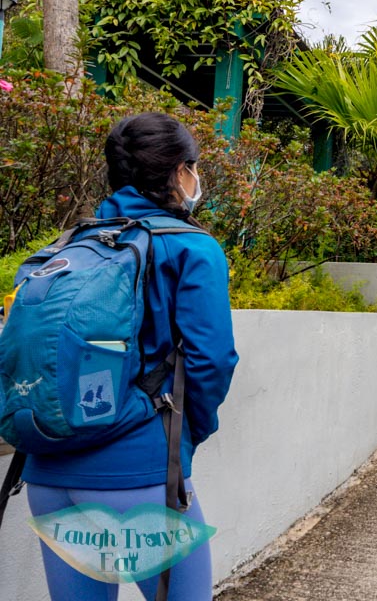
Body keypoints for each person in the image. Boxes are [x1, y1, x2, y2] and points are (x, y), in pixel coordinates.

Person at [22, 112, 238, 601]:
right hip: (139, 476)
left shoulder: (69, 244)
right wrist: (182, 437)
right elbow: (212, 359)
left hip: (49, 475)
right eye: (194, 166)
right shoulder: (191, 248)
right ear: (180, 172)